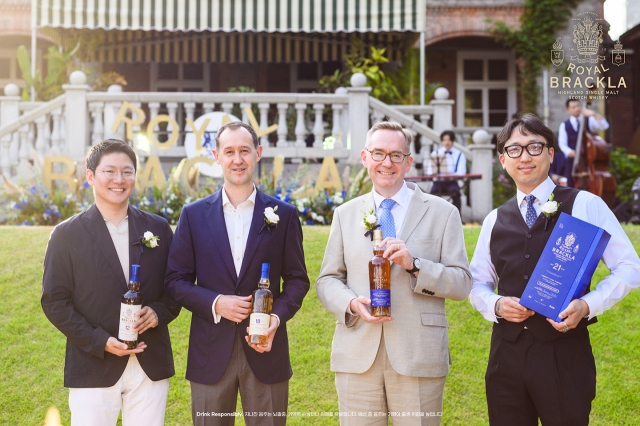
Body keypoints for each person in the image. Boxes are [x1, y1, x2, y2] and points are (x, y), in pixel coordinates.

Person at [469, 113, 640, 425]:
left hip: (565, 356)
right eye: (514, 149)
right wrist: (495, 304)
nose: (524, 157)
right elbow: (476, 282)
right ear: (503, 160)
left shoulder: (585, 204)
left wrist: (588, 304)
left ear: (550, 153)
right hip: (506, 358)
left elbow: (629, 266)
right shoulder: (494, 219)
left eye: (534, 147)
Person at [316, 121, 472, 425]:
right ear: (365, 158)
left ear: (408, 162)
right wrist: (350, 303)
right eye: (378, 154)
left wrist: (415, 265)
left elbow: (462, 283)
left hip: (418, 355)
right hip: (357, 353)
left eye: (396, 155)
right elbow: (327, 279)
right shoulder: (346, 214)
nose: (386, 163)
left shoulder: (443, 212)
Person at [165, 121, 309, 426]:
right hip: (209, 353)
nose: (237, 159)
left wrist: (275, 318)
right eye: (229, 151)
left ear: (257, 153)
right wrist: (217, 302)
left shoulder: (283, 215)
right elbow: (174, 281)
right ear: (216, 157)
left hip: (266, 350)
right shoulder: (192, 215)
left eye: (244, 150)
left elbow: (297, 280)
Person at [41, 139, 181, 425]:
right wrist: (100, 341)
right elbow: (55, 302)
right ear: (90, 176)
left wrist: (158, 313)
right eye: (110, 171)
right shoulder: (66, 235)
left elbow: (176, 286)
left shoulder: (158, 229)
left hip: (149, 364)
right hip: (93, 365)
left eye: (127, 172)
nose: (119, 180)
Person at [557, 98, 609, 187]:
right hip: (573, 161)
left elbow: (605, 126)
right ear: (568, 110)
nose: (577, 108)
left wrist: (594, 114)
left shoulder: (589, 120)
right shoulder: (564, 125)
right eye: (573, 107)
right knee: (571, 184)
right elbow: (562, 144)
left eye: (578, 106)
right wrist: (569, 152)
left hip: (588, 160)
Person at [426, 130, 467, 212]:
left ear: (453, 141)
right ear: (441, 141)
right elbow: (429, 171)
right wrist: (435, 173)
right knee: (432, 195)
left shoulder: (460, 154)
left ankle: (457, 219)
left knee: (456, 194)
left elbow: (461, 173)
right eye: (444, 140)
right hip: (438, 182)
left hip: (452, 182)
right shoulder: (435, 153)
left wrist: (450, 174)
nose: (447, 142)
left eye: (449, 140)